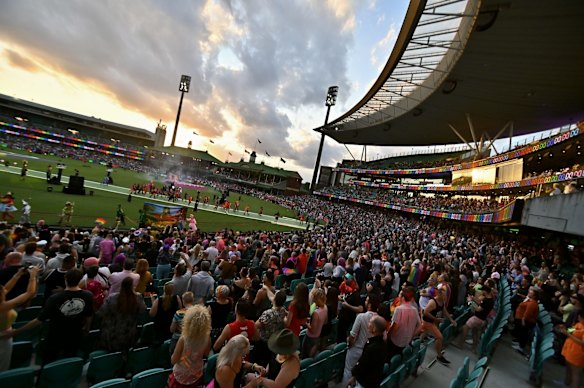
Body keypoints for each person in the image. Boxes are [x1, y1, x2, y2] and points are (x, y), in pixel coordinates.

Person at [8, 269, 93, 364]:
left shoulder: (55, 298)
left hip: (56, 334)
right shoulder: (88, 295)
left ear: (65, 278)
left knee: (50, 360)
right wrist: (87, 328)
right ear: (80, 279)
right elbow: (89, 315)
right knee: (69, 358)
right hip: (75, 333)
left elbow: (40, 320)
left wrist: (17, 331)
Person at [0, 266, 40, 371]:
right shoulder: (4, 306)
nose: (5, 290)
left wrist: (17, 275)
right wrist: (33, 276)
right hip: (3, 338)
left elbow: (6, 288)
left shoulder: (3, 304)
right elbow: (30, 293)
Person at [98, 277, 146, 352]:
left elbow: (101, 312)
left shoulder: (112, 298)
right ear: (133, 286)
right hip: (129, 333)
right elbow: (143, 311)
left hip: (112, 332)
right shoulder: (138, 297)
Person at [168, 304, 212, 388]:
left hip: (181, 376)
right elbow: (206, 354)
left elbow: (173, 360)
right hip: (197, 375)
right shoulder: (207, 338)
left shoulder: (183, 339)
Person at [342, 294, 380, 387]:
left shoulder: (361, 317)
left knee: (348, 371)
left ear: (370, 305)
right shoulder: (379, 319)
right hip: (367, 352)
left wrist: (349, 344)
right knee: (359, 376)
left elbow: (353, 335)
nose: (365, 302)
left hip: (356, 349)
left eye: (367, 301)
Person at [349, 316, 388, 388]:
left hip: (365, 383)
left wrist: (354, 375)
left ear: (374, 328)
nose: (368, 324)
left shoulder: (372, 348)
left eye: (370, 322)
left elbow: (362, 364)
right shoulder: (382, 344)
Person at [420, 287, 457, 364]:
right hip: (428, 322)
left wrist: (451, 320)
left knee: (423, 334)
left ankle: (416, 345)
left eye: (445, 295)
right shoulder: (433, 302)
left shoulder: (441, 302)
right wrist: (436, 319)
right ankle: (439, 356)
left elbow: (445, 311)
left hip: (431, 322)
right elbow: (425, 312)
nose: (445, 297)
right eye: (443, 295)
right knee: (439, 337)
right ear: (439, 294)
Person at [455, 285, 494, 352]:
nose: (481, 292)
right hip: (482, 319)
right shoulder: (490, 299)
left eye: (482, 290)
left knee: (465, 328)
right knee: (475, 333)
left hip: (477, 318)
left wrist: (470, 302)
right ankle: (474, 348)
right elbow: (480, 303)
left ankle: (460, 344)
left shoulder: (487, 301)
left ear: (485, 291)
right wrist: (473, 299)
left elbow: (478, 309)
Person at [387, 286, 421, 360]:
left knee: (390, 358)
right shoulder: (415, 310)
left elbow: (395, 326)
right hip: (406, 342)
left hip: (395, 341)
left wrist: (388, 336)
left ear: (402, 297)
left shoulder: (399, 309)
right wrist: (411, 336)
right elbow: (419, 326)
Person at [254, 290, 287, 366]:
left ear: (275, 299)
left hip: (264, 342)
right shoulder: (283, 311)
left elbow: (256, 325)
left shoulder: (268, 313)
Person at [557, 309, 584, 388]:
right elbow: (572, 330)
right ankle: (566, 383)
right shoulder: (579, 324)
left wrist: (568, 335)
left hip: (578, 354)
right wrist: (564, 329)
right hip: (570, 351)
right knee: (568, 368)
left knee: (576, 373)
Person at [511, 287, 539, 355]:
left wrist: (523, 320)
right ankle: (519, 343)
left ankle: (520, 347)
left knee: (523, 334)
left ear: (534, 296)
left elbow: (528, 313)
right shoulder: (529, 300)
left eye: (531, 293)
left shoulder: (532, 303)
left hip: (526, 321)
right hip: (521, 318)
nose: (529, 293)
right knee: (521, 333)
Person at [302, 288, 328, 358]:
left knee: (306, 355)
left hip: (311, 337)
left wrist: (306, 323)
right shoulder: (325, 307)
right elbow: (325, 322)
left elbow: (312, 330)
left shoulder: (316, 313)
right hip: (318, 336)